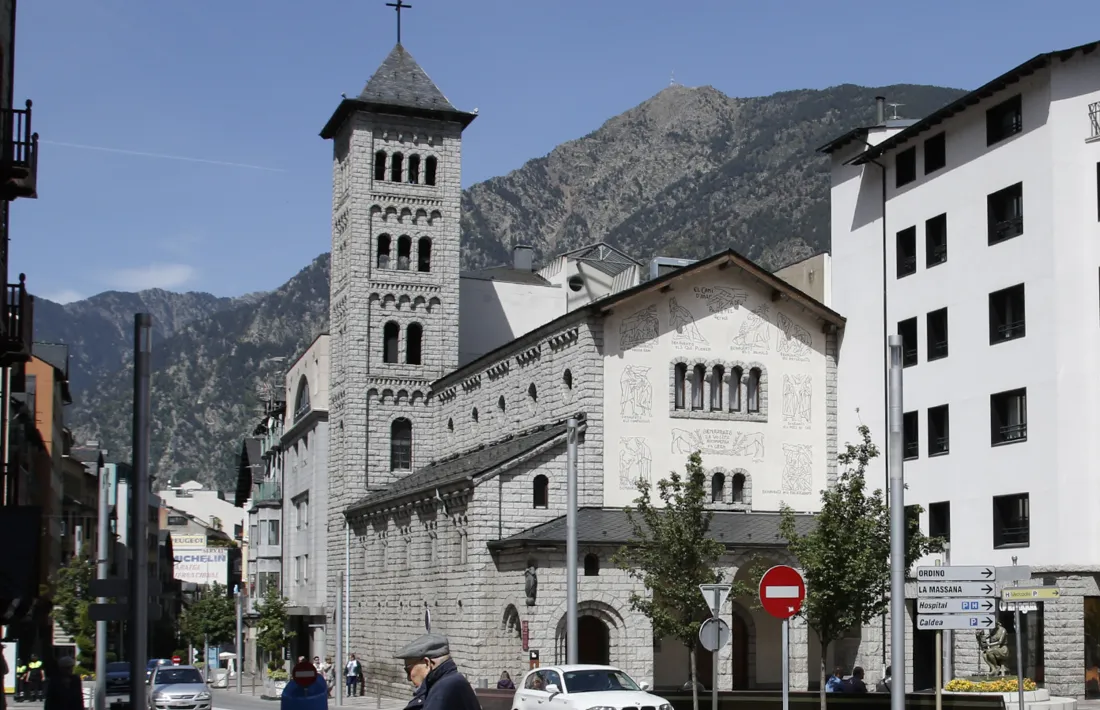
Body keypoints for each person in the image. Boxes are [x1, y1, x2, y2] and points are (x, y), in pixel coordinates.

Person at [395, 632, 479, 710]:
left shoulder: (443, 691)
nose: (409, 678)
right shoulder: (450, 682)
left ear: (427, 663)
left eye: (408, 670)